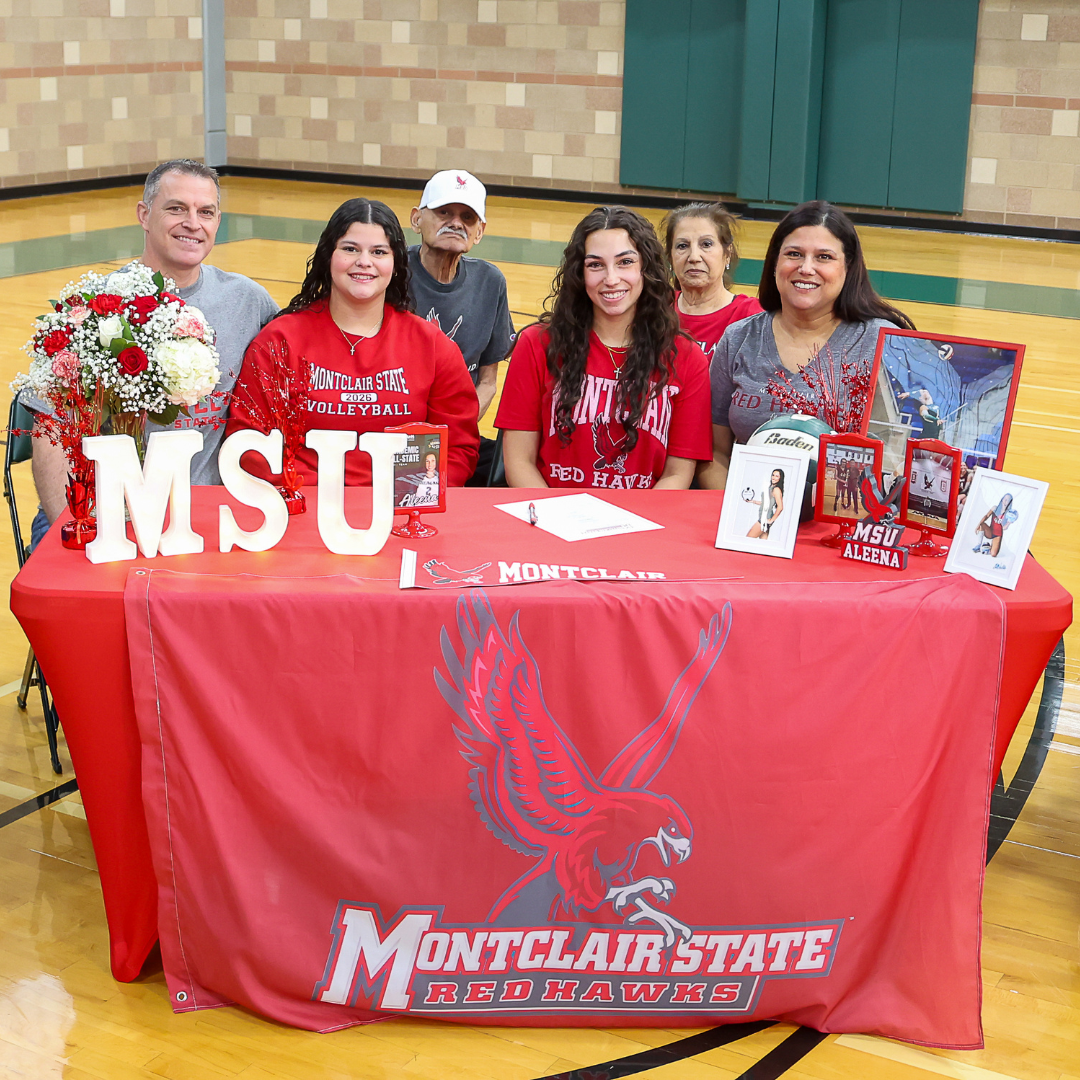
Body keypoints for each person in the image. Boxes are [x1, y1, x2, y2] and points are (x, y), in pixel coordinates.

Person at [26, 159, 278, 547]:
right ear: (144, 215)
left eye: (205, 212)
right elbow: (50, 429)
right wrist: (74, 523)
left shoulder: (247, 300)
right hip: (106, 516)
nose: (193, 223)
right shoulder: (92, 308)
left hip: (200, 519)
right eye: (176, 208)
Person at [226, 198, 479, 486]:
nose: (364, 262)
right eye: (350, 249)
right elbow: (249, 441)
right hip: (302, 503)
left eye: (379, 252)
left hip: (400, 505)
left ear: (396, 263)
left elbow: (457, 449)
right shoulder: (279, 341)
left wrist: (405, 496)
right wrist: (319, 497)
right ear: (328, 257)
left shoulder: (433, 347)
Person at [494, 205, 712, 490]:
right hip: (552, 512)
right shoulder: (537, 345)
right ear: (579, 272)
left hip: (644, 515)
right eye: (595, 265)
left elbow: (677, 475)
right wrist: (555, 516)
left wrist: (634, 519)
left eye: (625, 262)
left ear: (646, 268)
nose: (611, 279)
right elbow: (519, 461)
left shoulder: (686, 358)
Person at [704, 201, 915, 489]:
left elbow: (898, 457)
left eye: (824, 257)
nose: (806, 268)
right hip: (753, 507)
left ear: (848, 267)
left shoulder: (883, 342)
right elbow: (715, 453)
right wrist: (739, 507)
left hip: (846, 513)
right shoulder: (739, 338)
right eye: (794, 254)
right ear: (775, 262)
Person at [408, 171, 514, 469]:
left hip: (455, 432)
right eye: (444, 212)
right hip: (394, 432)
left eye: (467, 217)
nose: (456, 223)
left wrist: (452, 431)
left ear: (479, 232)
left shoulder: (490, 282)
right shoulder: (389, 272)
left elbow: (488, 382)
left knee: (508, 468)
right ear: (417, 219)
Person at [662, 201, 762, 366]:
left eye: (706, 244)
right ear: (670, 257)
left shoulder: (752, 317)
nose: (694, 257)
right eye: (682, 246)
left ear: (727, 254)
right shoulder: (655, 309)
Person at [747, 468, 784, 538]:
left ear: (780, 478)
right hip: (764, 517)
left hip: (765, 518)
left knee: (748, 539)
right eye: (773, 475)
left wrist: (771, 520)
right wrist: (752, 501)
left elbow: (780, 507)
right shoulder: (771, 487)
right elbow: (765, 503)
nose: (774, 477)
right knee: (763, 540)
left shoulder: (776, 489)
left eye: (777, 476)